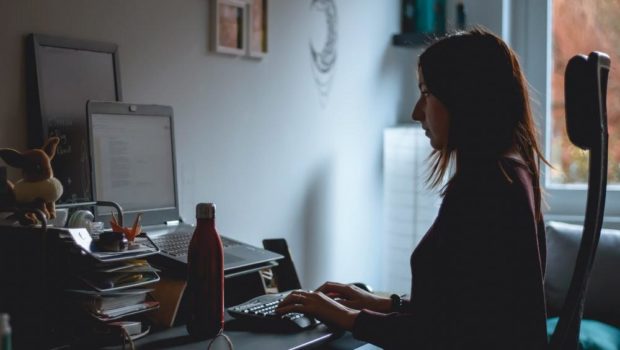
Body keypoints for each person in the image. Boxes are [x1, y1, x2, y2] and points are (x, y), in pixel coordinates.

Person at [276, 27, 549, 349]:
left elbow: (443, 336)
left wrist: (345, 317)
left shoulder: (488, 186)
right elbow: (469, 310)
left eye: (426, 93)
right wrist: (384, 304)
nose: (417, 112)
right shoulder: (511, 173)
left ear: (463, 95)